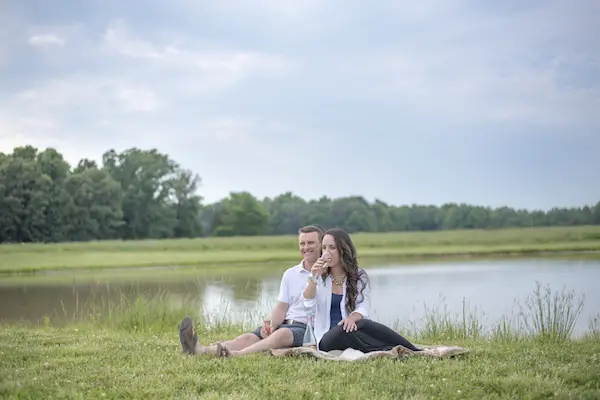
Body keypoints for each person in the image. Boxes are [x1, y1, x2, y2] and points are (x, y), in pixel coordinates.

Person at [179, 225, 323, 357]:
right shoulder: (290, 274)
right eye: (302, 243)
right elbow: (281, 307)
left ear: (321, 245)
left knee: (281, 335)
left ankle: (235, 355)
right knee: (247, 338)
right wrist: (271, 324)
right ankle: (202, 349)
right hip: (285, 323)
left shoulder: (328, 275)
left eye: (311, 243)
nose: (306, 247)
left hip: (306, 328)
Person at [302, 227, 422, 353]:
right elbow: (308, 305)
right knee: (345, 330)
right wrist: (313, 276)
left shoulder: (358, 275)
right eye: (324, 248)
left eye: (332, 247)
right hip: (327, 338)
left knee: (364, 324)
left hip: (352, 330)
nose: (327, 252)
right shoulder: (318, 277)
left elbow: (363, 306)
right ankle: (394, 349)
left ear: (343, 250)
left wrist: (352, 317)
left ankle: (412, 349)